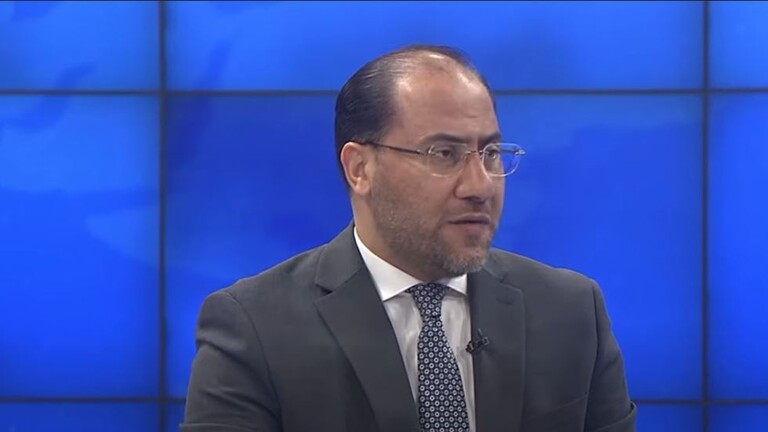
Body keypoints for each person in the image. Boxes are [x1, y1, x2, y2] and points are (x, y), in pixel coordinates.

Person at [182, 44, 637, 432]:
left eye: (490, 153)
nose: (480, 186)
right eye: (444, 153)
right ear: (360, 168)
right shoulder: (253, 329)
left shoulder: (571, 312)